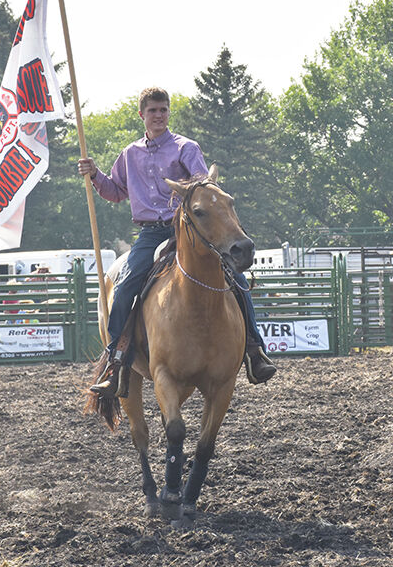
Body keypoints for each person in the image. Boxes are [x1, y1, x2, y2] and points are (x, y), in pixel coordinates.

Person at [78, 86, 276, 396]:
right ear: (142, 114)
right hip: (150, 233)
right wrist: (94, 175)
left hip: (189, 228)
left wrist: (194, 192)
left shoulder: (186, 147)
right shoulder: (130, 154)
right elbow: (115, 191)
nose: (159, 115)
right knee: (126, 286)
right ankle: (115, 363)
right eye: (153, 111)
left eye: (163, 110)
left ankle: (254, 349)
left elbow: (203, 187)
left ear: (169, 112)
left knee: (235, 278)